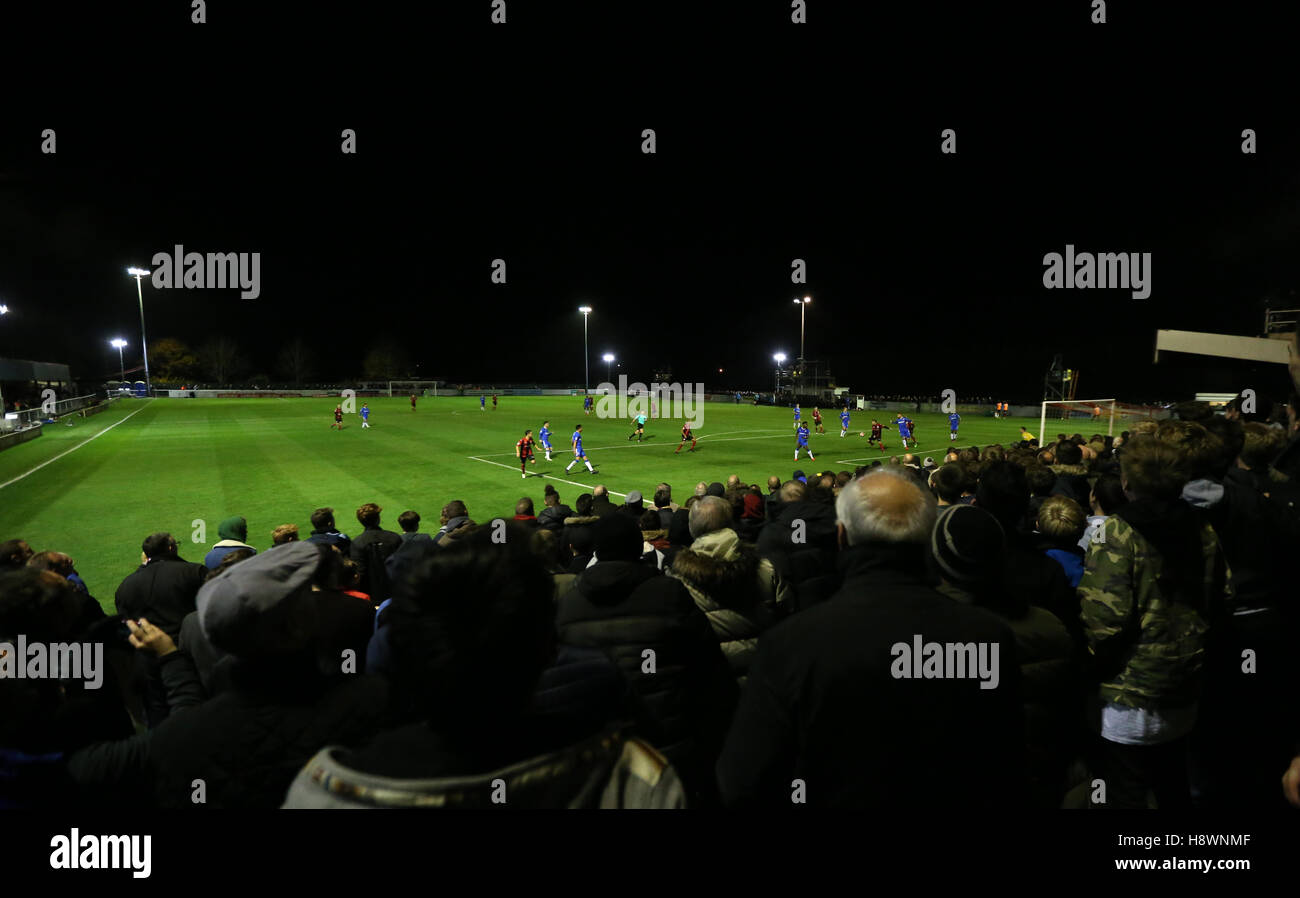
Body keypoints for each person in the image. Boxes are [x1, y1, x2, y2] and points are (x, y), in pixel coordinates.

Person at [717, 468, 1024, 808]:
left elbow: (743, 783)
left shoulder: (791, 645)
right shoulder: (987, 638)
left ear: (840, 537)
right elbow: (1007, 770)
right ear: (926, 538)